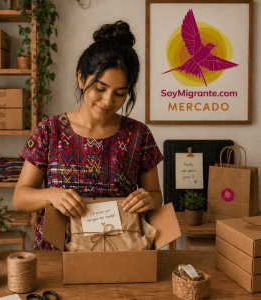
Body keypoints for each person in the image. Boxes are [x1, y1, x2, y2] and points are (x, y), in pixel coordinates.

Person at [13, 20, 164, 250]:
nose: (108, 101)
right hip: (58, 255)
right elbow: (20, 197)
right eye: (100, 89)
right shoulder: (49, 130)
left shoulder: (139, 135)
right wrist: (52, 195)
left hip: (120, 254)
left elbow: (156, 196)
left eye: (120, 93)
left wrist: (148, 199)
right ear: (82, 79)